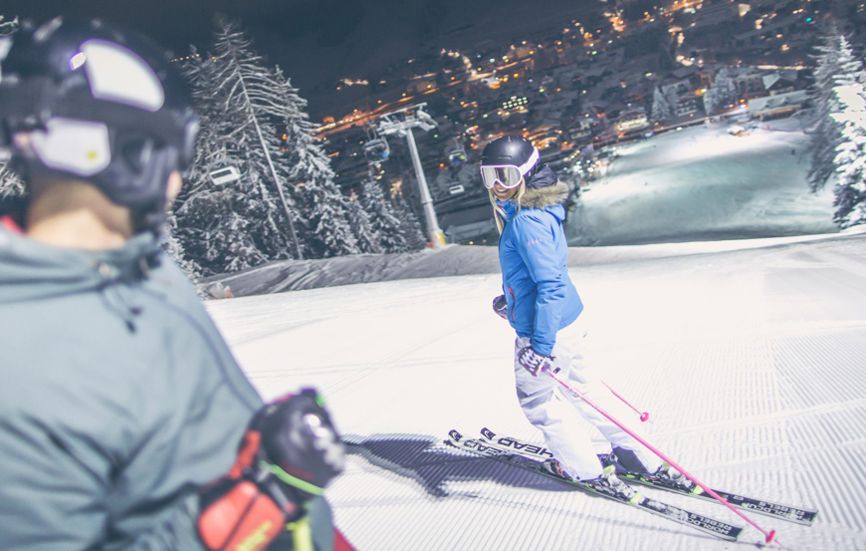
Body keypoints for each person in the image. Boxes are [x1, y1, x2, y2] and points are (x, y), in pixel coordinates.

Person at [0, 18, 352, 550]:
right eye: (172, 152)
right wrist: (262, 498)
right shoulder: (21, 362)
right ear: (131, 154)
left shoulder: (141, 264)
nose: (177, 179)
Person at [480, 136, 693, 500]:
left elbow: (550, 283)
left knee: (540, 403)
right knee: (586, 391)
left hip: (546, 331)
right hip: (567, 321)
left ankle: (584, 470)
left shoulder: (524, 224)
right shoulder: (537, 212)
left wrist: (541, 346)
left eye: (506, 174)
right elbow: (543, 278)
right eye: (490, 176)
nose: (498, 185)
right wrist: (512, 302)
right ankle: (638, 458)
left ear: (527, 174)